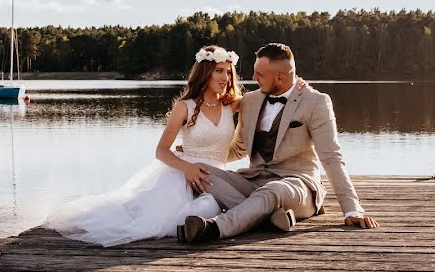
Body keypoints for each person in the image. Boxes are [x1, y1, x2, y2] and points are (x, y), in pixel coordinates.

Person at [43, 45, 243, 247]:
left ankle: (193, 225)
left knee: (207, 208)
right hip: (183, 177)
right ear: (205, 73)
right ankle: (186, 226)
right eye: (219, 71)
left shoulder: (233, 106)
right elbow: (161, 151)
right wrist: (187, 168)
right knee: (151, 221)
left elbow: (264, 99)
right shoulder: (185, 107)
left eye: (228, 72)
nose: (225, 77)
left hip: (217, 179)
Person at [181, 42, 379, 244]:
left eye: (260, 74)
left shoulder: (316, 102)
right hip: (254, 181)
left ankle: (213, 228)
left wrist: (352, 208)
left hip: (297, 185)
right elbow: (239, 149)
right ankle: (265, 218)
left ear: (281, 78)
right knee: (200, 172)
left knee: (273, 190)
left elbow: (332, 158)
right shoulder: (249, 101)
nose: (253, 78)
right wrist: (195, 152)